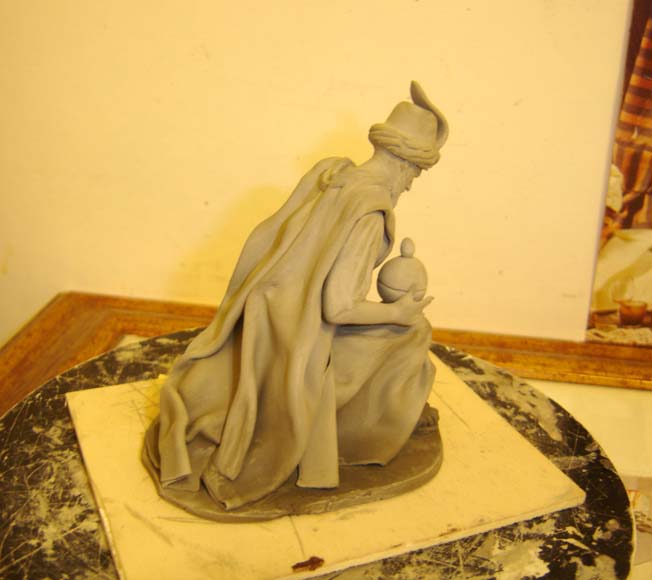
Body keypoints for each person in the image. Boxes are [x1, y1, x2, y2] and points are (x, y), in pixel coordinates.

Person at [145, 81, 449, 511]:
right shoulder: (370, 211)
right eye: (416, 174)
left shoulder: (333, 172)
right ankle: (364, 435)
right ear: (405, 164)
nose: (412, 185)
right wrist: (398, 313)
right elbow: (338, 306)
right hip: (300, 337)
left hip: (266, 312)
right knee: (413, 332)